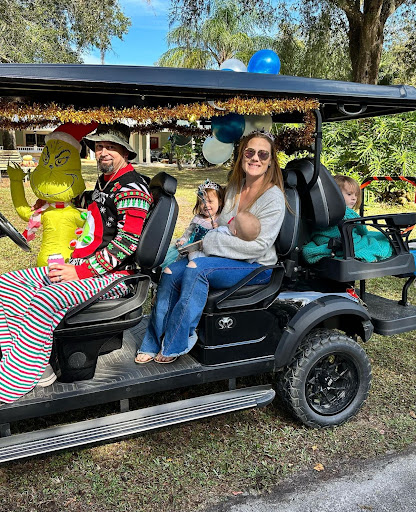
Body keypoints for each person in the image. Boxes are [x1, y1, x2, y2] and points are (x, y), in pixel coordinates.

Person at [0, 123, 152, 404]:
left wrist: (79, 271)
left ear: (125, 151)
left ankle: (11, 383)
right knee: (7, 284)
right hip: (88, 267)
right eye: (99, 146)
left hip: (116, 278)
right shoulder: (107, 181)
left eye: (110, 147)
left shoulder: (132, 188)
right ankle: (29, 362)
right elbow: (93, 202)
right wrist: (53, 201)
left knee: (44, 299)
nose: (102, 152)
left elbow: (126, 244)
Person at [135, 130, 286, 364]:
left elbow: (258, 246)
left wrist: (211, 243)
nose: (255, 158)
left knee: (198, 269)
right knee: (171, 272)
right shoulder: (236, 187)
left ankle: (176, 342)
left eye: (263, 154)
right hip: (228, 258)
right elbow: (223, 225)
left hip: (256, 266)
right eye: (250, 152)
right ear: (242, 156)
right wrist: (202, 242)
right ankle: (152, 342)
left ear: (270, 161)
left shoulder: (273, 197)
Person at [302, 174, 393, 264]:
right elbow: (363, 230)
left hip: (321, 241)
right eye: (349, 194)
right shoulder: (347, 212)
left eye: (356, 195)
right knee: (380, 239)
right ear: (335, 194)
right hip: (344, 243)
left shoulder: (320, 210)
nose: (354, 198)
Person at [161, 179, 224, 269]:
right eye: (202, 202)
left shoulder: (221, 219)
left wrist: (217, 229)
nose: (206, 205)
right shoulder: (198, 219)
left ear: (220, 202)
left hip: (209, 254)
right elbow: (188, 233)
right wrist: (182, 240)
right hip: (192, 250)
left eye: (210, 201)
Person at [188, 210, 261, 260]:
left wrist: (216, 229)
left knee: (192, 255)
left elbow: (211, 235)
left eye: (233, 219)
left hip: (209, 255)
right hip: (221, 259)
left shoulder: (224, 230)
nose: (231, 219)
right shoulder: (244, 251)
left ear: (235, 232)